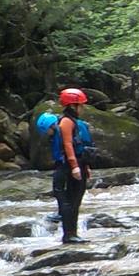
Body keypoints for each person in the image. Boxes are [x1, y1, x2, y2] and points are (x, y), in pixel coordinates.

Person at [51, 88, 93, 244]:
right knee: (71, 201)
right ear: (72, 106)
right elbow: (68, 144)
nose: (82, 108)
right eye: (80, 105)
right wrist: (75, 166)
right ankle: (69, 234)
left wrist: (85, 166)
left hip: (79, 163)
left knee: (75, 200)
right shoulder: (67, 121)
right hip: (69, 166)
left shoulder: (73, 121)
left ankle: (71, 233)